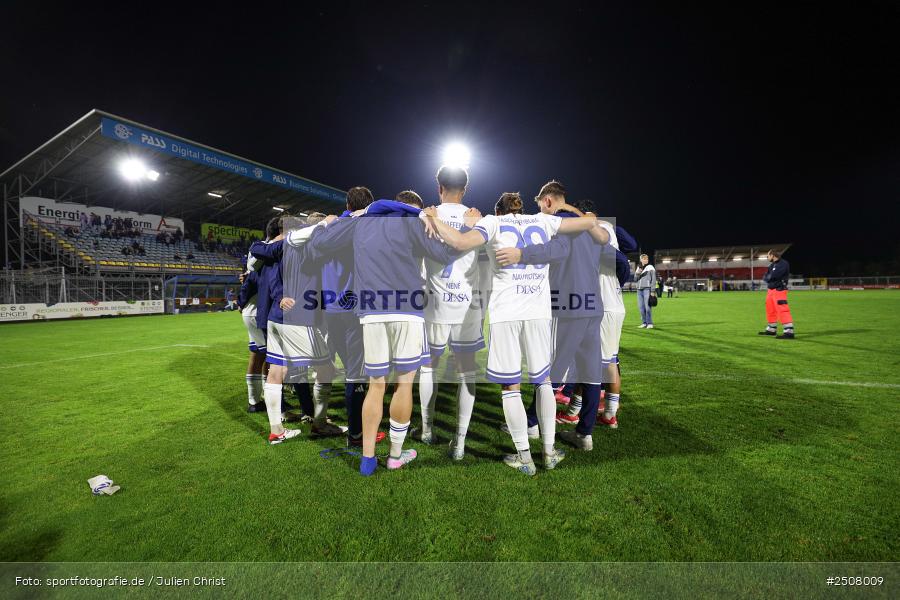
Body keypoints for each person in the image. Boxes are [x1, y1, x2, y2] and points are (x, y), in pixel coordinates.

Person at [426, 185, 598, 475]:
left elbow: (456, 242)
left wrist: (433, 217)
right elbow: (590, 222)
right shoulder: (542, 220)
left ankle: (524, 457)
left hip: (506, 313)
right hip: (539, 313)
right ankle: (549, 451)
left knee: (511, 386)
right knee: (543, 381)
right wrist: (569, 210)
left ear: (498, 211)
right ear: (520, 209)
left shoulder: (492, 222)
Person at [494, 192, 610, 453]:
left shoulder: (561, 224)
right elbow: (611, 252)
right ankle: (585, 434)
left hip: (568, 305)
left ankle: (533, 424)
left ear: (548, 201)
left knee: (550, 371)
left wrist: (520, 254)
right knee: (591, 372)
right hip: (593, 305)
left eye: (540, 205)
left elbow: (556, 251)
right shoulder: (590, 224)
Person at [417, 166, 485, 459]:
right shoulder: (479, 218)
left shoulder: (426, 214)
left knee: (428, 366)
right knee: (466, 370)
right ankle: (459, 442)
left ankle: (427, 429)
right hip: (468, 303)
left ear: (438, 187)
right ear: (466, 189)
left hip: (434, 301)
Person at [759, 249, 795, 339]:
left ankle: (789, 331)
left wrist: (769, 277)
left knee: (783, 309)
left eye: (768, 255)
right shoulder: (772, 265)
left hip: (779, 290)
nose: (767, 257)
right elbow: (765, 277)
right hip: (770, 291)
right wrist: (769, 277)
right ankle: (771, 329)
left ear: (772, 255)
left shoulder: (783, 264)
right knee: (770, 310)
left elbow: (774, 276)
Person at [634, 254, 657, 328]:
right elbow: (635, 279)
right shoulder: (638, 267)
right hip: (639, 290)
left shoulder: (650, 267)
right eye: (644, 259)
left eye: (646, 259)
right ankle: (644, 323)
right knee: (641, 308)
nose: (645, 260)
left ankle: (650, 323)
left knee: (648, 307)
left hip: (647, 289)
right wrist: (638, 272)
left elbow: (653, 279)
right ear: (641, 260)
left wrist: (653, 290)